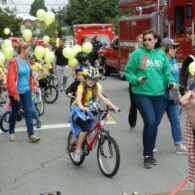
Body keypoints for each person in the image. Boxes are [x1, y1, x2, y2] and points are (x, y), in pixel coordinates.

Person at [124, 29, 176, 169]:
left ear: (156, 40)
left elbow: (166, 72)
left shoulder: (161, 55)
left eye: (149, 39)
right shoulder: (138, 54)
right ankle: (147, 155)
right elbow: (128, 71)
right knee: (150, 121)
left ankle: (150, 152)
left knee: (154, 124)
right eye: (145, 39)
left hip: (159, 94)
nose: (147, 42)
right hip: (142, 93)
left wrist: (171, 81)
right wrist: (136, 79)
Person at [71, 67, 119, 162]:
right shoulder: (81, 87)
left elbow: (103, 98)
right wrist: (82, 107)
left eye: (94, 79)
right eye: (89, 79)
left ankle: (100, 137)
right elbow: (79, 99)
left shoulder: (95, 87)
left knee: (101, 121)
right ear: (85, 79)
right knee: (85, 129)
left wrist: (114, 106)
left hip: (90, 108)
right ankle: (77, 150)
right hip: (78, 110)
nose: (92, 82)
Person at [6, 42, 41, 142]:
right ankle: (11, 132)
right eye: (28, 49)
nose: (30, 51)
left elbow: (29, 75)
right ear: (23, 50)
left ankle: (31, 135)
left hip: (26, 90)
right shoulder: (13, 62)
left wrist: (32, 85)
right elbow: (11, 80)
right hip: (15, 92)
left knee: (28, 111)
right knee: (14, 112)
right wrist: (15, 93)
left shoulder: (27, 61)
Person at [160, 37, 187, 154]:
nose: (176, 49)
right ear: (166, 48)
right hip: (161, 96)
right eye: (173, 47)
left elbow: (175, 78)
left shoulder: (173, 59)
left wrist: (180, 93)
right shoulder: (161, 61)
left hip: (174, 95)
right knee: (154, 122)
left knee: (176, 121)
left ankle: (179, 145)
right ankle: (150, 146)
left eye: (176, 47)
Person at [128, 34, 143, 132]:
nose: (141, 44)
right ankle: (132, 123)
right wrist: (137, 51)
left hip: (145, 83)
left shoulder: (149, 54)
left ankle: (149, 124)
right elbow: (131, 69)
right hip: (134, 83)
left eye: (143, 42)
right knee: (134, 105)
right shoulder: (132, 54)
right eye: (139, 42)